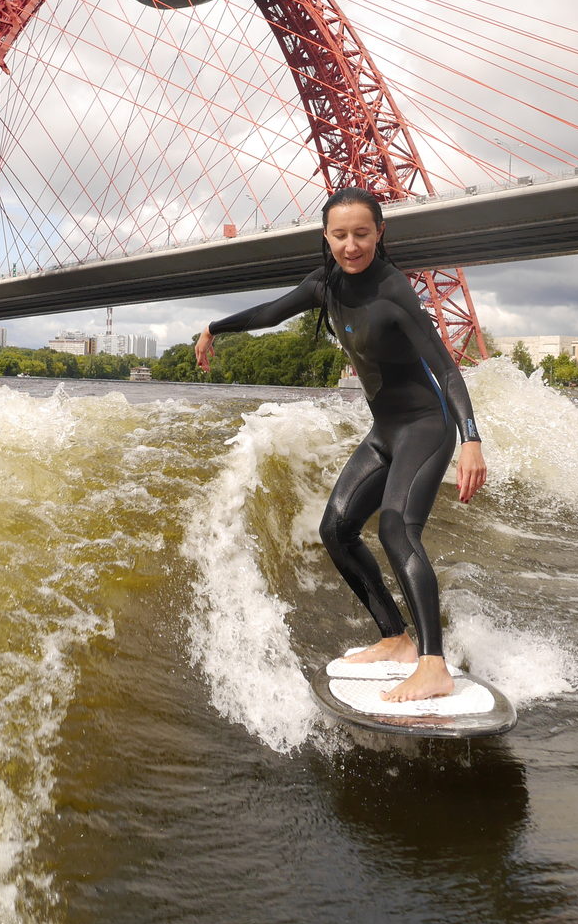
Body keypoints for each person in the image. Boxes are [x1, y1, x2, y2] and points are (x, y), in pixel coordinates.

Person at [195, 187, 486, 702]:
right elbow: (271, 312)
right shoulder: (325, 284)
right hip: (385, 432)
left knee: (397, 531)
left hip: (426, 426)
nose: (351, 246)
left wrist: (471, 439)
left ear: (379, 234)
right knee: (337, 528)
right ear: (326, 237)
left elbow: (444, 365)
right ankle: (395, 638)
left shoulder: (394, 290)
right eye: (340, 235)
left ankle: (432, 664)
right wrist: (214, 328)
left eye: (362, 234)